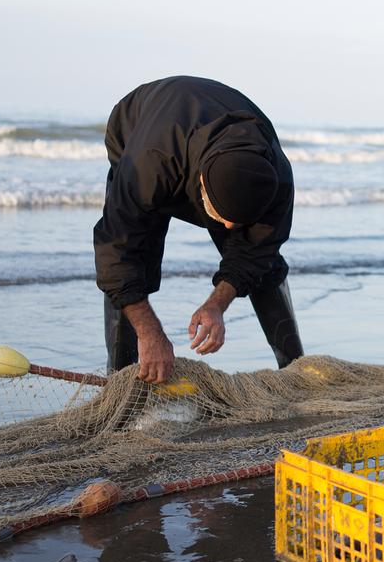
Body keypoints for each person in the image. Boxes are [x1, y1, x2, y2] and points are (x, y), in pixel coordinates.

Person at [93, 76, 304, 384]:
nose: (229, 228)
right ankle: (121, 379)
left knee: (261, 260)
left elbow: (257, 250)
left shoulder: (276, 179)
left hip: (209, 140)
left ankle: (294, 368)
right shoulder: (148, 164)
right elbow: (116, 252)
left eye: (237, 220)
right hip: (138, 126)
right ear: (201, 184)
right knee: (133, 259)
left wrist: (216, 304)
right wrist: (150, 332)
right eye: (224, 217)